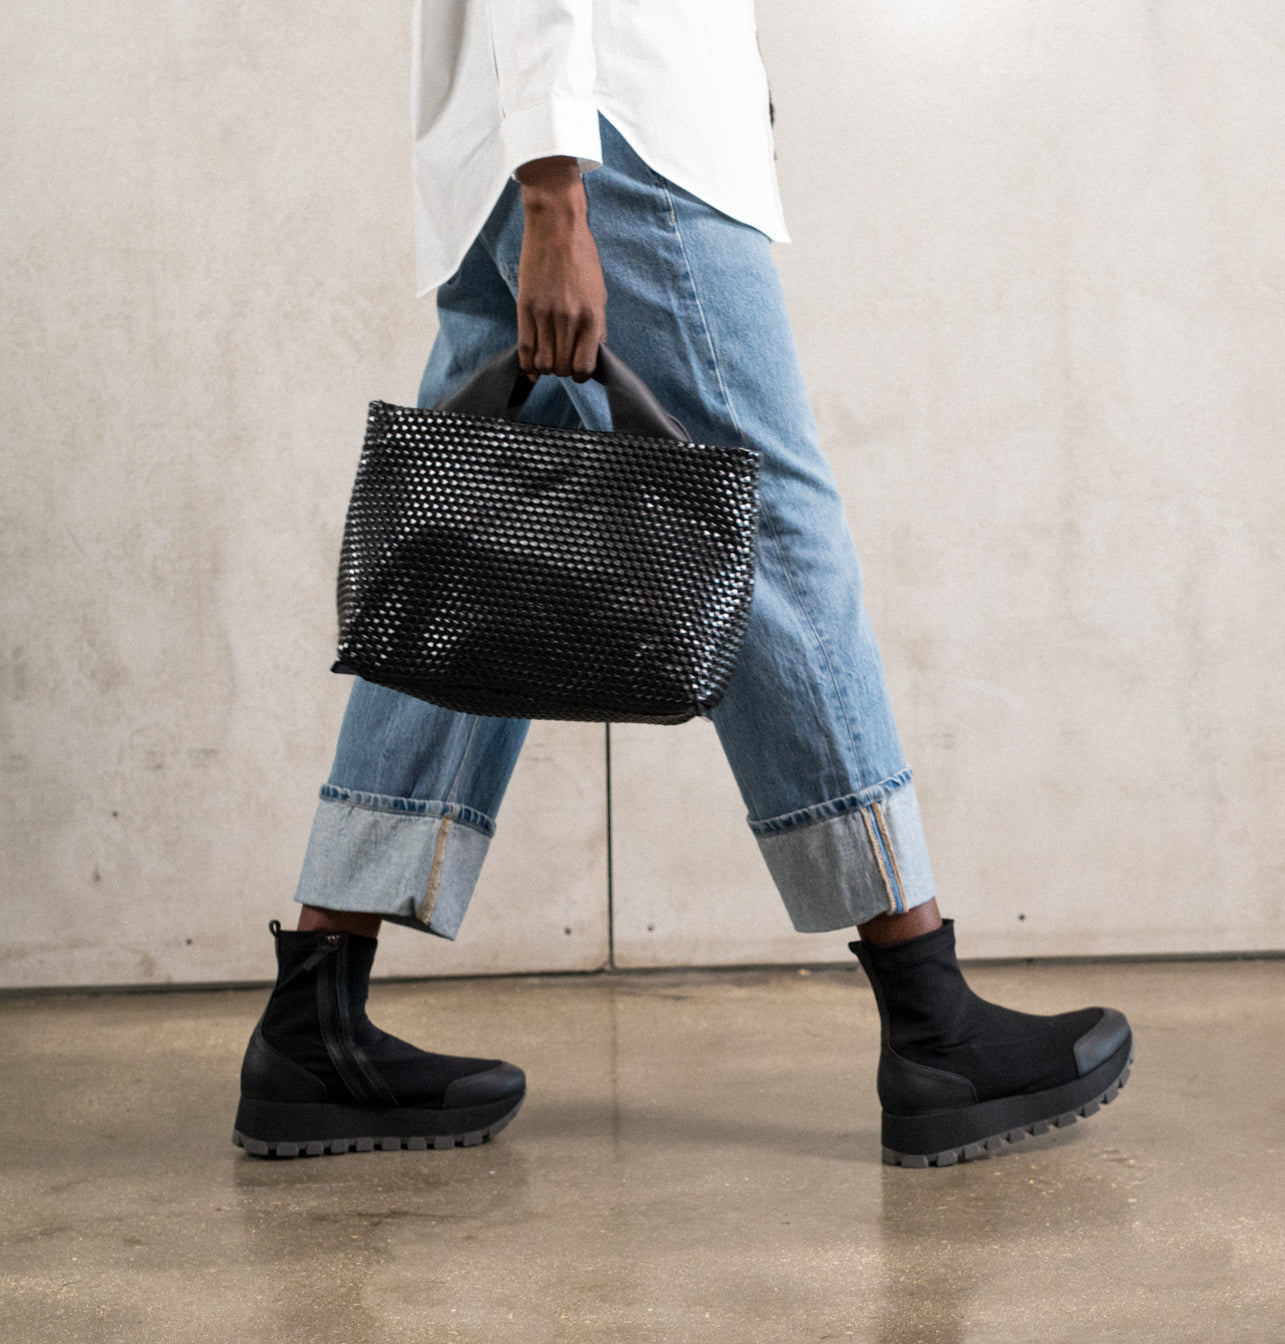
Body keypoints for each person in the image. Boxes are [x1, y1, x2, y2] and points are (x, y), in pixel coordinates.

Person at [233, 1, 1132, 1167]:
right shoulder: (583, 157)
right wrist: (557, 187)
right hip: (616, 133)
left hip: (537, 133)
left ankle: (312, 1022)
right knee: (772, 532)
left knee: (470, 558)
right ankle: (931, 1019)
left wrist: (538, 162)